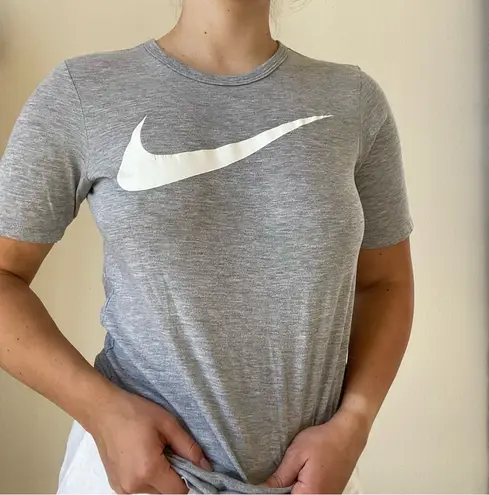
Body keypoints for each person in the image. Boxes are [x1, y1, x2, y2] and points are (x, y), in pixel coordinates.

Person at [0, 0, 414, 493]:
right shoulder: (82, 92)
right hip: (139, 478)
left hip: (310, 483)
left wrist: (355, 422)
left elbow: (385, 282)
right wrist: (102, 411)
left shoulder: (353, 100)